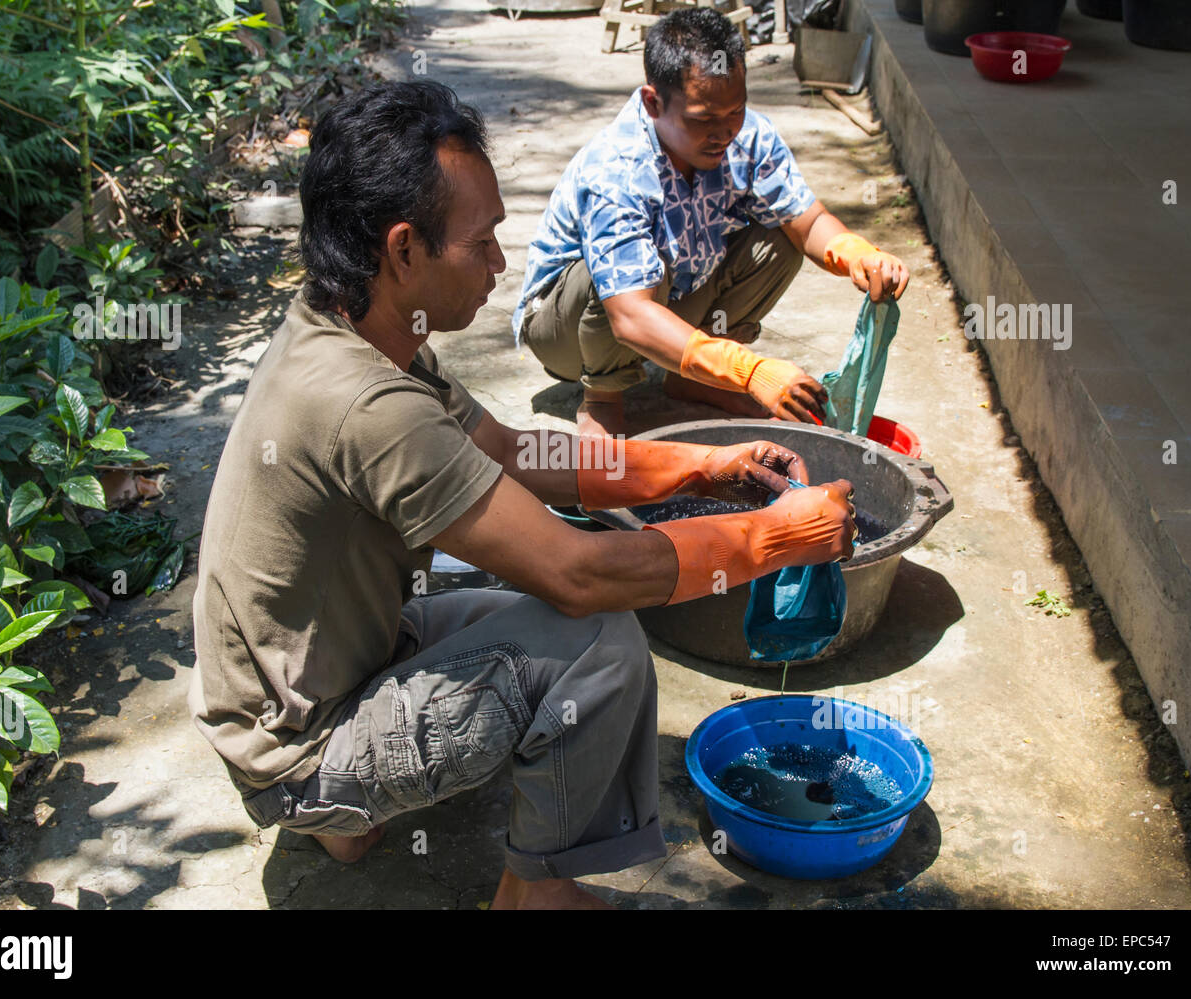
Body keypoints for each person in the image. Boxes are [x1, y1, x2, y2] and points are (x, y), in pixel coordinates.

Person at [188, 80, 857, 910]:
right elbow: (581, 573)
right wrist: (776, 539)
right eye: (483, 242)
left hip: (298, 681)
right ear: (403, 249)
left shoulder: (357, 323)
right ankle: (532, 892)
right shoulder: (369, 404)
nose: (502, 265)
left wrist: (692, 466)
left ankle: (342, 810)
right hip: (294, 743)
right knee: (600, 640)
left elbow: (512, 450)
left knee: (516, 602)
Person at [514, 8, 910, 437]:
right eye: (702, 119)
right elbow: (629, 314)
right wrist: (749, 370)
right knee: (637, 267)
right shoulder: (620, 168)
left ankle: (690, 377)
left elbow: (807, 223)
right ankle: (602, 398)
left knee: (778, 243)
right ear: (653, 102)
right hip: (565, 333)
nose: (723, 133)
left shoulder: (750, 137)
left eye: (734, 112)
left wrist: (855, 253)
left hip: (662, 299)